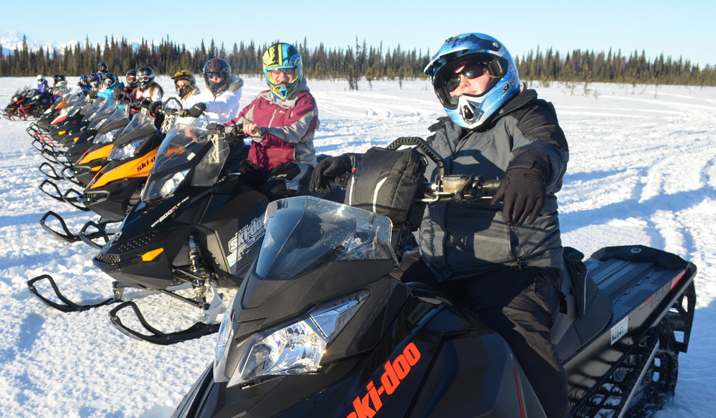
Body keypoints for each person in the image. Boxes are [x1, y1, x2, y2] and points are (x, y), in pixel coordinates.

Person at [310, 32, 570, 418]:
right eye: (452, 79)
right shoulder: (444, 136)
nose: (462, 84)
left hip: (514, 267)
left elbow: (546, 144)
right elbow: (406, 166)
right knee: (368, 298)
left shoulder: (526, 116)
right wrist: (351, 164)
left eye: (473, 72)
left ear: (499, 72)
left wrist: (530, 168)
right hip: (439, 263)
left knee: (516, 331)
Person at [224, 43, 318, 201]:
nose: (282, 77)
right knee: (227, 189)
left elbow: (292, 133)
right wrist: (213, 132)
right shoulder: (262, 99)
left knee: (273, 195)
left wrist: (263, 134)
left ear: (297, 70)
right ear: (268, 73)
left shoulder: (304, 102)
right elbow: (240, 121)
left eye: (288, 70)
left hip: (294, 164)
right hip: (259, 164)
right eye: (276, 71)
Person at [185, 58, 243, 124]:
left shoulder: (232, 93)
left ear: (225, 76)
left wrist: (204, 106)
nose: (214, 78)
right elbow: (191, 102)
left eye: (218, 75)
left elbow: (223, 106)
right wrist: (173, 105)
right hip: (205, 129)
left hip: (225, 129)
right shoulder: (208, 92)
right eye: (211, 75)